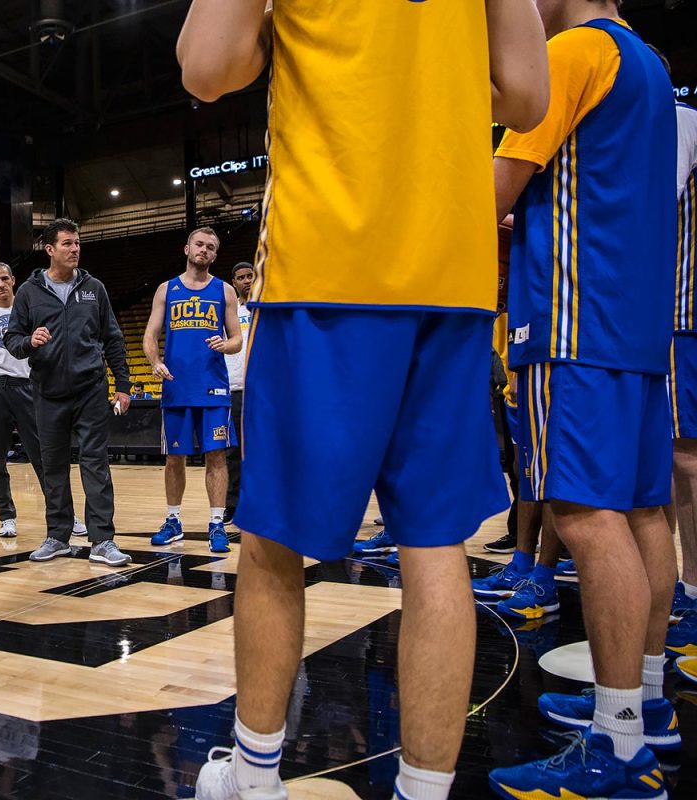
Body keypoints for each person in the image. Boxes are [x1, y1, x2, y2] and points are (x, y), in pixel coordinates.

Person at [176, 2, 548, 800]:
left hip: (329, 263)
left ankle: (255, 777)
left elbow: (208, 67)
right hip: (450, 271)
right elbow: (525, 94)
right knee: (436, 546)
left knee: (275, 541)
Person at [487, 1, 681, 796]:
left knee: (584, 517)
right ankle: (645, 702)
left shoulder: (568, 53)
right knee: (641, 514)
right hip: (637, 326)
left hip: (572, 318)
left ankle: (621, 746)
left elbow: (495, 188)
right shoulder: (651, 64)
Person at [4, 218, 133, 567]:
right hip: (47, 392)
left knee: (95, 464)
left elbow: (113, 339)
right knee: (53, 466)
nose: (75, 249)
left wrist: (123, 385)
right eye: (67, 244)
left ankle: (103, 540)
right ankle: (58, 536)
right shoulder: (29, 293)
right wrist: (29, 342)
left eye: (77, 243)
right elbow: (12, 339)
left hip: (91, 389)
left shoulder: (95, 288)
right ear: (50, 250)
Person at [143, 227, 242, 554]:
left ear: (215, 255)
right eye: (199, 244)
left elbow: (237, 338)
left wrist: (226, 345)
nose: (204, 250)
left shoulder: (225, 291)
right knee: (175, 457)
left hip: (213, 388)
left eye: (211, 247)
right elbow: (150, 335)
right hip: (176, 388)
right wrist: (155, 361)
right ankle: (173, 521)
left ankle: (216, 523)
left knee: (216, 455)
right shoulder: (166, 290)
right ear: (187, 248)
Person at [0, 262, 48, 538]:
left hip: (27, 387)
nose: (1, 284)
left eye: (5, 278)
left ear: (13, 280)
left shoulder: (30, 310)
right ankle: (6, 516)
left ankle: (62, 514)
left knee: (43, 455)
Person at [664, 96, 697, 661]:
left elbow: (647, 208)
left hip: (682, 316)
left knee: (685, 456)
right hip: (674, 317)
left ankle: (690, 590)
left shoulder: (678, 119)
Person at [223, 261, 254, 523]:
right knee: (233, 452)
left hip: (261, 389)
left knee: (261, 450)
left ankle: (261, 503)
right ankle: (232, 505)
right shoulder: (229, 311)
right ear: (233, 282)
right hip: (233, 387)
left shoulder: (265, 308)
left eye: (250, 276)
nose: (246, 281)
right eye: (241, 277)